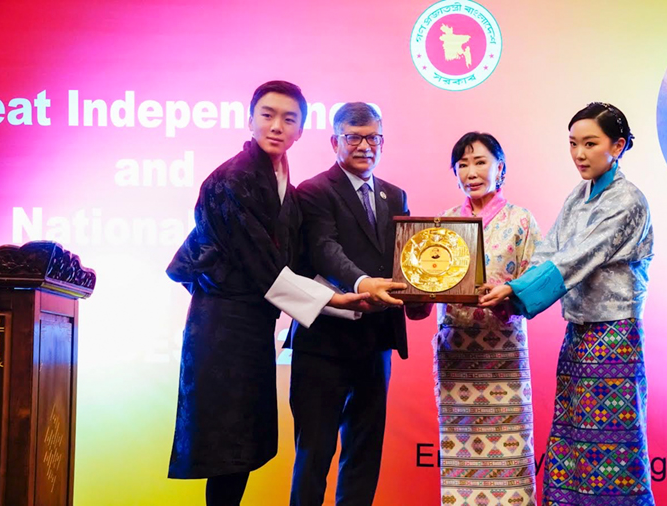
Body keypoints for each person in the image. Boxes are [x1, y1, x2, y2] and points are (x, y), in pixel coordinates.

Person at [166, 81, 370, 506]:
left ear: (300, 130)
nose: (276, 126)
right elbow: (264, 267)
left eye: (289, 119)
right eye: (267, 114)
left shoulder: (284, 185)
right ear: (251, 117)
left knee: (241, 446)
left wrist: (346, 296)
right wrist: (335, 302)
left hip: (254, 328)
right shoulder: (231, 180)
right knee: (226, 448)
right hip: (220, 329)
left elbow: (293, 264)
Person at [480, 103, 655, 506]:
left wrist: (517, 292)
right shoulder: (579, 196)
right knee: (573, 436)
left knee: (611, 445)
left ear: (619, 145)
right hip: (579, 334)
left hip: (614, 338)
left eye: (590, 143)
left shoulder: (627, 200)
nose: (579, 153)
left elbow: (577, 256)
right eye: (573, 144)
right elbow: (548, 251)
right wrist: (514, 289)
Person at [406, 132, 541, 505]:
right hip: (458, 353)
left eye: (480, 162)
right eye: (462, 165)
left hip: (503, 353)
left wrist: (508, 295)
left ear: (500, 167)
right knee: (458, 455)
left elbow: (539, 285)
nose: (471, 172)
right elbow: (425, 288)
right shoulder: (443, 223)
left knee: (511, 455)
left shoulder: (521, 221)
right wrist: (412, 295)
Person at [287, 102, 409, 506]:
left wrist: (421, 295)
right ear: (335, 141)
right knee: (315, 451)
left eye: (372, 137)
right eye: (353, 137)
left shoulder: (395, 194)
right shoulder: (313, 191)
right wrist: (361, 281)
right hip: (324, 343)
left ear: (382, 140)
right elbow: (324, 249)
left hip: (375, 344)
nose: (364, 146)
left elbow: (405, 259)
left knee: (364, 451)